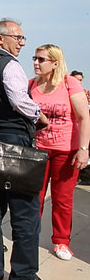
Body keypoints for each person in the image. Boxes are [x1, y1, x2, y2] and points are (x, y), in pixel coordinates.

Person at [0, 18, 55, 280]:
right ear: (0, 39)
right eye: (18, 37)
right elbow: (19, 100)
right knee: (26, 211)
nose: (22, 42)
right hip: (16, 141)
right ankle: (23, 274)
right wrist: (39, 117)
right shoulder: (10, 65)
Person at [28, 44, 90, 261]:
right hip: (38, 150)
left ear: (55, 63)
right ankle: (30, 236)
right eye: (34, 58)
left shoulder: (69, 83)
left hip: (66, 151)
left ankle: (61, 241)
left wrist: (83, 150)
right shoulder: (31, 85)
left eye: (41, 59)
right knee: (34, 197)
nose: (36, 62)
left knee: (63, 199)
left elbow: (84, 118)